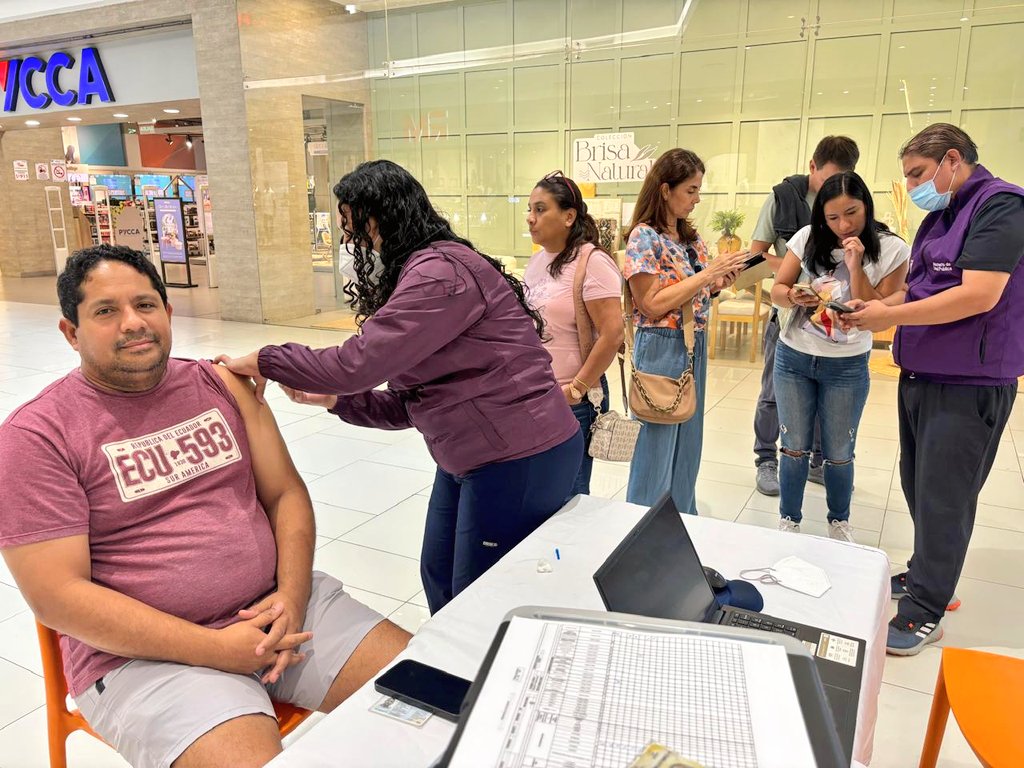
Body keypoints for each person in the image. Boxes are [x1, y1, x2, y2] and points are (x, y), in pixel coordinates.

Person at [0, 245, 410, 768]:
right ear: (71, 332)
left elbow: (285, 493)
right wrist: (216, 649)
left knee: (442, 695)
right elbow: (58, 598)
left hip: (279, 610)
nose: (132, 323)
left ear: (168, 314)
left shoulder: (221, 385)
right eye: (106, 311)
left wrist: (290, 595)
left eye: (145, 305)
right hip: (143, 659)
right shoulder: (37, 436)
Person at [218, 160, 582, 616]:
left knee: (478, 602)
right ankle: (453, 678)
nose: (351, 245)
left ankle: (480, 681)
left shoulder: (439, 274)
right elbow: (415, 403)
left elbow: (358, 363)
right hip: (472, 457)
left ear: (381, 216)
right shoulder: (422, 269)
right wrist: (336, 400)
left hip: (518, 455)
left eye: (354, 230)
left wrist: (269, 358)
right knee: (441, 576)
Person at [845, 124, 1024, 655]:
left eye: (919, 174)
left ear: (952, 160)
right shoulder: (939, 217)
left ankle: (927, 606)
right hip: (923, 374)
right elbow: (920, 286)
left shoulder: (1001, 207)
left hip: (969, 382)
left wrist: (890, 314)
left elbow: (979, 295)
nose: (915, 185)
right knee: (919, 482)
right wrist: (870, 305)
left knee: (945, 495)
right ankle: (927, 571)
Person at [770, 172, 910, 542]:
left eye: (852, 212)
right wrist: (793, 296)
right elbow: (777, 290)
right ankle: (789, 520)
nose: (843, 224)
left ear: (866, 204)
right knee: (794, 445)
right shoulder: (807, 238)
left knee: (839, 449)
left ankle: (838, 521)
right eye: (833, 218)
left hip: (847, 364)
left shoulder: (892, 248)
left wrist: (855, 265)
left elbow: (881, 306)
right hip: (794, 357)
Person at [624, 149, 748, 515]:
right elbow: (649, 303)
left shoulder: (688, 238)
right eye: (691, 190)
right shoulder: (644, 238)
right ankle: (641, 531)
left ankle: (680, 522)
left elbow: (693, 290)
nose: (697, 199)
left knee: (687, 444)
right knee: (655, 446)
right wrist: (706, 276)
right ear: (665, 190)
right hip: (661, 345)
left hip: (694, 342)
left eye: (698, 191)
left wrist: (717, 282)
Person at [749, 136, 861, 496]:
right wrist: (800, 266)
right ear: (812, 166)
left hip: (834, 323)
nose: (832, 189)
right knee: (773, 393)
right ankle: (766, 459)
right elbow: (755, 256)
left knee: (820, 396)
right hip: (787, 317)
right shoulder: (782, 199)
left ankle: (816, 460)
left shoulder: (850, 204)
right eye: (827, 178)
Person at [523, 171, 624, 495]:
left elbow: (613, 334)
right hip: (536, 394)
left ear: (569, 216)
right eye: (529, 209)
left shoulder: (592, 262)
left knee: (568, 494)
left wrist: (576, 389)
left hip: (572, 399)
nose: (530, 218)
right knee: (539, 489)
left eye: (540, 209)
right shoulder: (537, 262)